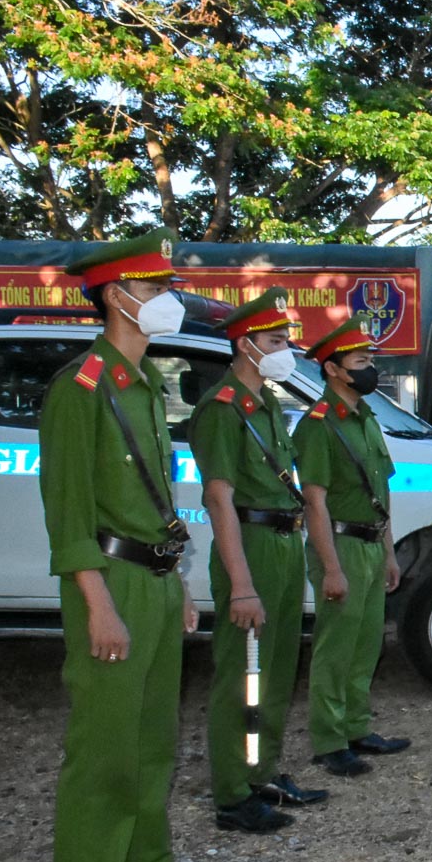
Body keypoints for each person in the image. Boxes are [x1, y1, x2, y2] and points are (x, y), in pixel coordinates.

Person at [39, 228, 220, 862]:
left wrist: (175, 581)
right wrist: (97, 602)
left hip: (150, 580)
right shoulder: (80, 388)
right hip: (108, 583)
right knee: (105, 752)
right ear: (117, 296)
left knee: (152, 744)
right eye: (155, 290)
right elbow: (69, 511)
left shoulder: (142, 386)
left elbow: (154, 502)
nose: (168, 302)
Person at [187, 289, 327, 833]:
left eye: (286, 340)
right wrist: (241, 583)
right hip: (250, 546)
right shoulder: (221, 409)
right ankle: (232, 792)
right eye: (274, 341)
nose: (285, 349)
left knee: (276, 670)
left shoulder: (265, 403)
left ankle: (261, 770)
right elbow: (218, 497)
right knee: (242, 673)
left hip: (283, 543)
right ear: (245, 345)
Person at [292, 319, 409, 777]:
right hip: (338, 543)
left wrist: (389, 551)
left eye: (369, 361)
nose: (369, 369)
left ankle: (357, 727)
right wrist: (330, 566)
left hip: (369, 543)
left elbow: (380, 492)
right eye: (360, 362)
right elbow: (315, 502)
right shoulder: (319, 426)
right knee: (335, 646)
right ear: (334, 371)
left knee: (365, 643)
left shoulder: (366, 419)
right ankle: (329, 739)